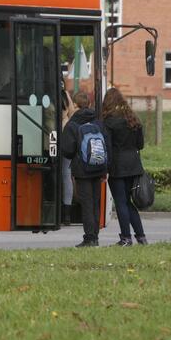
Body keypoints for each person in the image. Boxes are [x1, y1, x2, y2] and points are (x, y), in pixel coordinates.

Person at [62, 91, 109, 248]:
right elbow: (106, 146)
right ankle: (95, 235)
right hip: (98, 167)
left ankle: (89, 238)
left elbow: (67, 150)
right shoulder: (98, 122)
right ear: (89, 104)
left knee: (87, 204)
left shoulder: (72, 124)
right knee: (95, 203)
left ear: (75, 105)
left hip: (82, 170)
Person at [102, 88, 148, 246]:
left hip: (117, 166)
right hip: (134, 166)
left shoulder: (109, 121)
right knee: (128, 202)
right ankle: (141, 237)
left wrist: (105, 168)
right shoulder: (133, 118)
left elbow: (107, 146)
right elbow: (140, 145)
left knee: (120, 202)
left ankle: (126, 238)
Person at [61, 90, 76, 225]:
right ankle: (66, 214)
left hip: (47, 140)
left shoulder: (39, 89)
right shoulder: (64, 94)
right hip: (65, 138)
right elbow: (72, 114)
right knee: (66, 174)